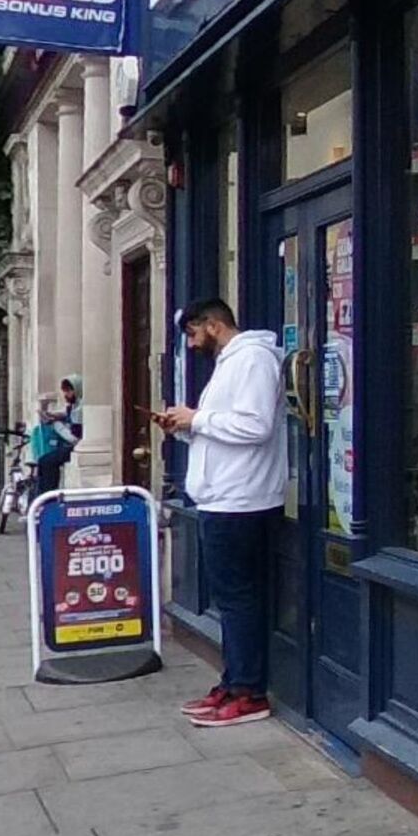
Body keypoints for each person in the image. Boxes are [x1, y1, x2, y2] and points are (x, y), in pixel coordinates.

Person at [156, 300, 284, 727]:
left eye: (194, 333)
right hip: (223, 498)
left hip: (240, 501)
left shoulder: (253, 359)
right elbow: (222, 431)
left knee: (239, 599)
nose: (192, 344)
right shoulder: (232, 361)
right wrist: (186, 427)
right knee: (232, 599)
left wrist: (198, 419)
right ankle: (234, 683)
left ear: (213, 325)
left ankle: (249, 692)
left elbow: (255, 426)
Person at [28, 378, 83, 502]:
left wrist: (55, 424)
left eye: (69, 391)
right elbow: (66, 414)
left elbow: (74, 438)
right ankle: (42, 497)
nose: (66, 395)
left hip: (74, 446)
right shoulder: (74, 406)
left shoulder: (79, 409)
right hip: (69, 445)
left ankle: (48, 497)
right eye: (65, 391)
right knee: (43, 461)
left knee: (47, 462)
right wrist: (53, 415)